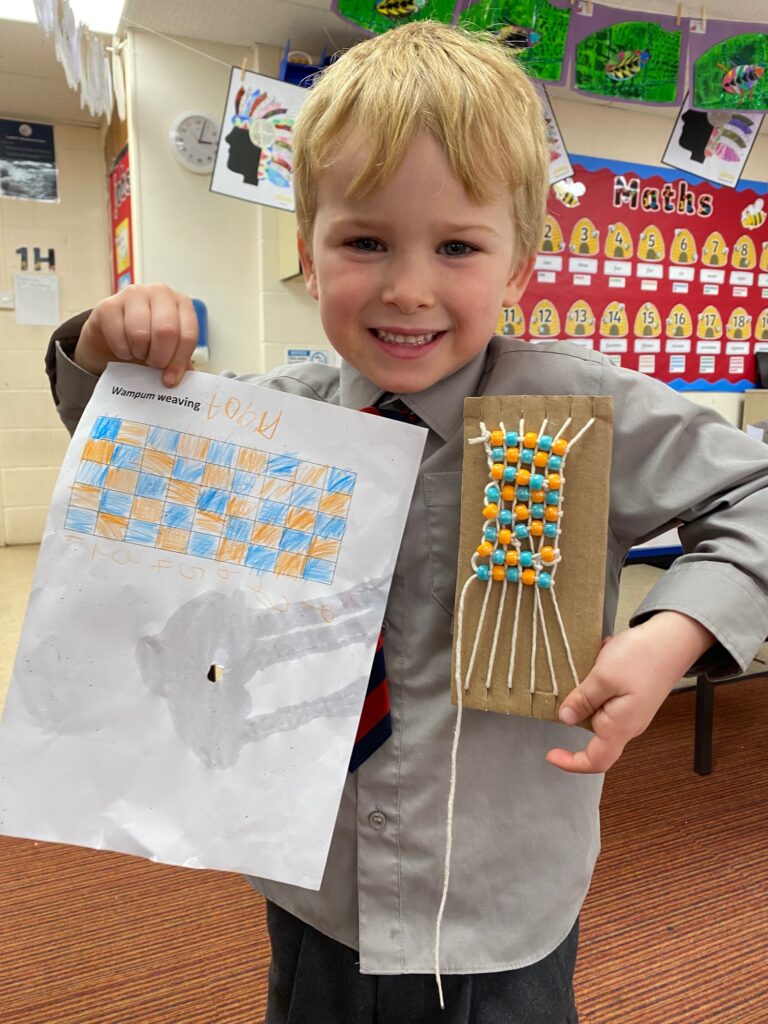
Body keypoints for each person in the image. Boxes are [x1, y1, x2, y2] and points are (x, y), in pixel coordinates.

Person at [45, 21, 768, 1024]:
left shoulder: (581, 406)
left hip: (500, 908)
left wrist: (670, 636)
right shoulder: (279, 415)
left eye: (458, 247)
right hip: (319, 886)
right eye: (365, 241)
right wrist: (102, 344)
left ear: (519, 269)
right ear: (308, 251)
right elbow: (112, 437)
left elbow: (757, 497)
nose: (408, 287)